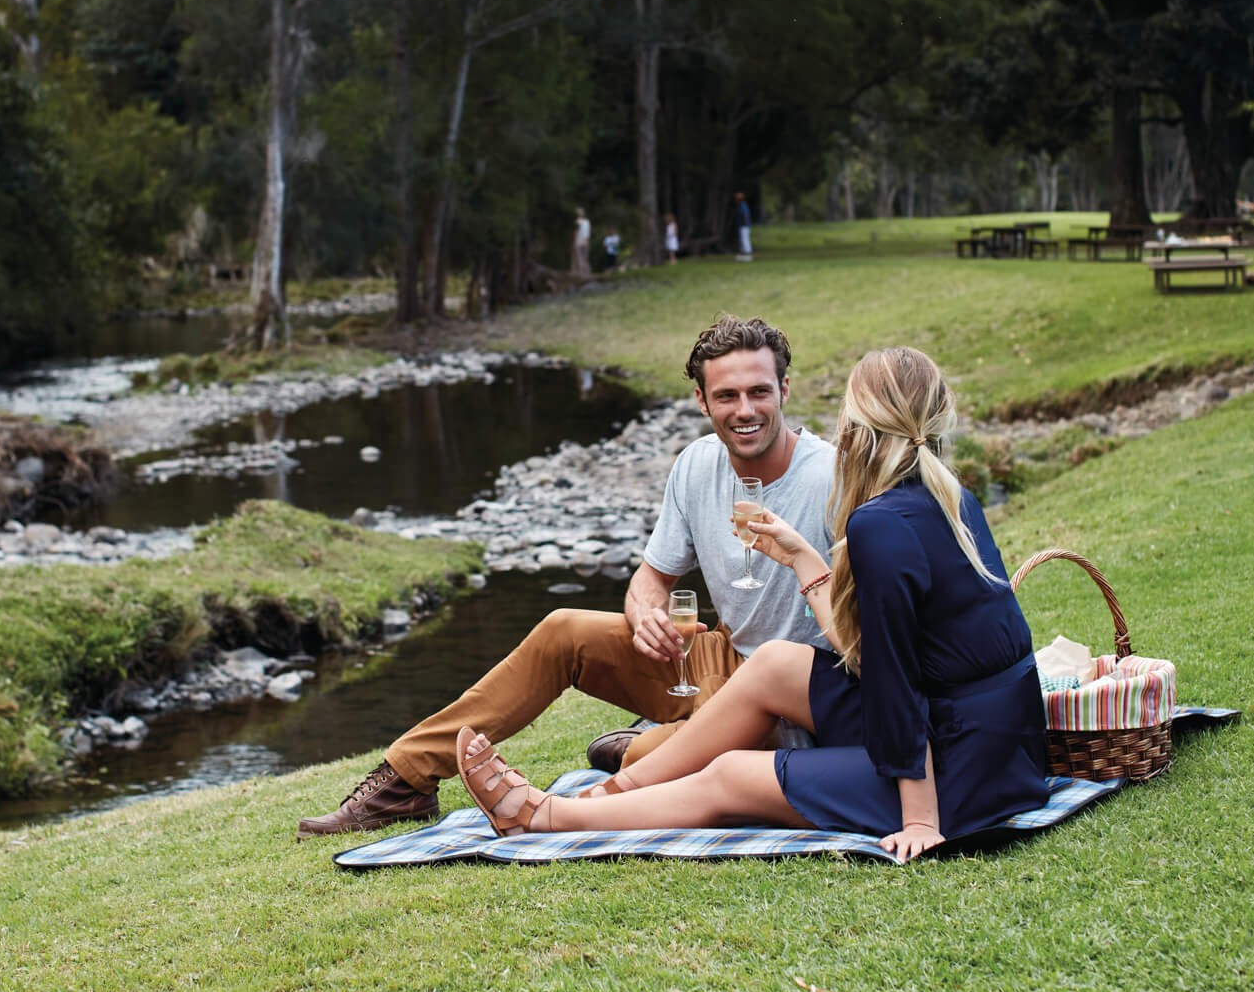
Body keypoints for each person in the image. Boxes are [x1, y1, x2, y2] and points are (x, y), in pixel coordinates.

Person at [449, 346, 1049, 862]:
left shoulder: (879, 524)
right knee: (775, 665)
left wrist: (919, 818)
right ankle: (612, 794)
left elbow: (895, 680)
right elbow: (880, 650)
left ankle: (543, 817)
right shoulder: (948, 495)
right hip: (1003, 745)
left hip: (957, 776)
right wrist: (803, 559)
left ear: (858, 424)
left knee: (732, 775)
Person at [298, 316, 837, 838]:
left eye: (759, 392)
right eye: (726, 396)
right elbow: (651, 577)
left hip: (792, 695)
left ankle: (631, 750)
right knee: (563, 629)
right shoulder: (697, 465)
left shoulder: (831, 477)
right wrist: (645, 614)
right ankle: (404, 781)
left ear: (785, 389)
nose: (744, 410)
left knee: (681, 762)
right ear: (702, 401)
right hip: (717, 658)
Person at [571, 207, 592, 277]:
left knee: (580, 259)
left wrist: (574, 241)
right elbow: (588, 233)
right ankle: (587, 274)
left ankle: (582, 275)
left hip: (578, 241)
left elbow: (575, 232)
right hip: (586, 241)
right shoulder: (587, 222)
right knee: (585, 259)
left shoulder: (577, 222)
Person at [733, 191, 753, 262]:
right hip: (743, 225)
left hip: (744, 226)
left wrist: (744, 223)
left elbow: (745, 215)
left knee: (745, 240)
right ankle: (744, 254)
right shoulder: (742, 205)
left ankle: (748, 254)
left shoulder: (742, 206)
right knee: (743, 240)